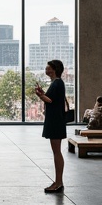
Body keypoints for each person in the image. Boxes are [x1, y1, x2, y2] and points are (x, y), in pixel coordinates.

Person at [33, 59, 67, 193]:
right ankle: (58, 181)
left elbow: (50, 100)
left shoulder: (57, 83)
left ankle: (58, 182)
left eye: (48, 68)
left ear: (54, 70)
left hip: (55, 120)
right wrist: (43, 94)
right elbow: (52, 98)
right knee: (56, 151)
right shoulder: (55, 83)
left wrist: (40, 95)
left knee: (57, 151)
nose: (46, 70)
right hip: (55, 119)